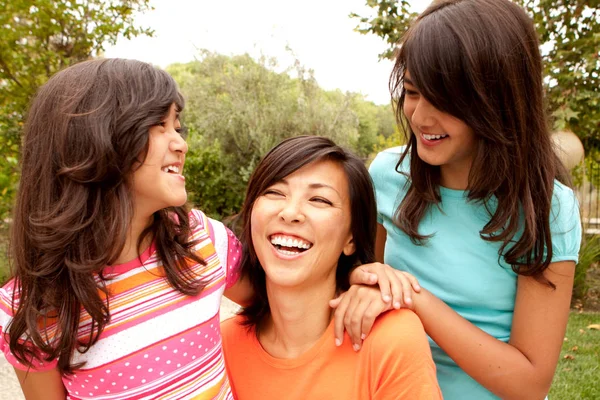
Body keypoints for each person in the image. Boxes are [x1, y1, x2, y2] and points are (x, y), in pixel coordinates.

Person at [0, 58, 395, 399]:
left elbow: (289, 300)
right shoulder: (30, 306)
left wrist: (360, 286)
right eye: (160, 125)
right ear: (94, 141)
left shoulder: (200, 241)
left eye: (178, 125)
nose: (181, 144)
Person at [363, 0, 582, 399]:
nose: (420, 117)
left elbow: (529, 383)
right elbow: (359, 284)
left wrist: (413, 298)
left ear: (497, 101)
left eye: (445, 100)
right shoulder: (386, 176)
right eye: (412, 92)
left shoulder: (548, 208)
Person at [221, 136, 442, 400]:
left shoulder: (391, 339)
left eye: (320, 200)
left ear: (351, 238)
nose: (290, 212)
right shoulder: (221, 344)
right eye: (275, 192)